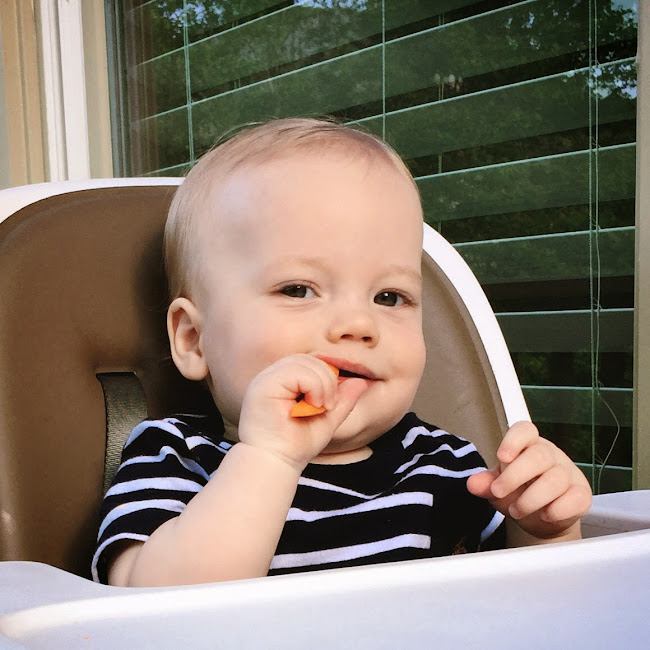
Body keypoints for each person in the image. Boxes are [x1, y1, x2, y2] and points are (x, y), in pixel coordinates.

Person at [93, 118, 592, 587]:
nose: (359, 324)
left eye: (389, 297)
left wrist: (543, 532)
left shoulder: (444, 464)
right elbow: (147, 602)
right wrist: (268, 458)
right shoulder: (176, 457)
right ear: (193, 339)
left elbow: (526, 604)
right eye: (297, 289)